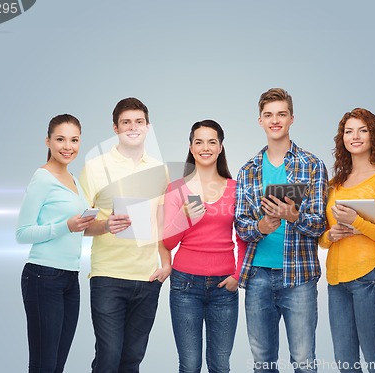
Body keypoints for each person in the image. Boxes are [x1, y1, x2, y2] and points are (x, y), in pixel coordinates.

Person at [235, 88, 328, 373]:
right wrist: (260, 227)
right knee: (262, 363)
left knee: (303, 361)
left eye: (281, 114)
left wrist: (294, 215)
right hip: (258, 276)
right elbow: (240, 225)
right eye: (269, 115)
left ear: (291, 119)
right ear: (260, 121)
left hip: (299, 276)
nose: (275, 120)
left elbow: (320, 224)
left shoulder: (312, 165)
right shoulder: (247, 170)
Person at [79, 97, 171, 373]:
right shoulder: (95, 167)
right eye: (126, 122)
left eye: (139, 122)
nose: (133, 127)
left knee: (132, 359)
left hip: (147, 278)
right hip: (108, 275)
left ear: (148, 127)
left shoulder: (159, 170)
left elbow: (161, 222)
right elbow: (81, 224)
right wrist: (106, 225)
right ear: (115, 128)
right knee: (108, 356)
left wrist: (166, 263)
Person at [319, 108, 375, 373]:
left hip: (370, 279)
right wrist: (330, 236)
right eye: (348, 131)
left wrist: (358, 222)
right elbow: (321, 238)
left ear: (373, 135)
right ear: (341, 138)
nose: (355, 136)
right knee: (346, 365)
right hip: (336, 281)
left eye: (362, 130)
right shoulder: (334, 184)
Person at [163, 120, 246, 373]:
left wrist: (237, 276)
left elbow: (243, 238)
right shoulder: (176, 189)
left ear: (220, 147)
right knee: (189, 365)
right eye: (199, 142)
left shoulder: (236, 189)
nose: (205, 147)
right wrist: (184, 216)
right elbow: (167, 241)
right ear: (191, 147)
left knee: (220, 365)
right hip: (185, 285)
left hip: (224, 287)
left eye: (212, 142)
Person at [16, 114, 96, 373]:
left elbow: (79, 227)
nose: (67, 146)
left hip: (70, 278)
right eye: (60, 139)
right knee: (44, 365)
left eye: (74, 140)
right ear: (48, 141)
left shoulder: (74, 181)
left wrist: (107, 224)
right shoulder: (42, 178)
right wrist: (65, 226)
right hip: (43, 276)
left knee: (57, 365)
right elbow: (23, 233)